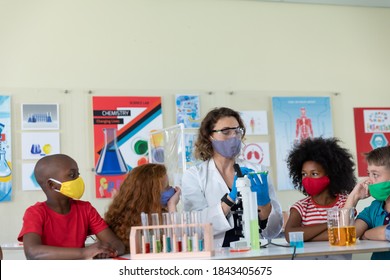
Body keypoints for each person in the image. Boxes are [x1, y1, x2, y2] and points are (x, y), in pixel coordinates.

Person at [181, 107, 283, 249]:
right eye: (226, 132)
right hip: (217, 255)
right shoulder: (194, 176)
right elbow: (196, 227)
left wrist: (265, 204)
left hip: (255, 253)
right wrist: (229, 199)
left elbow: (274, 231)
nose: (233, 137)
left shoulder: (258, 171)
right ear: (209, 136)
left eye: (237, 131)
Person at [18, 154, 125, 260]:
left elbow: (117, 244)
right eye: (72, 175)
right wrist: (84, 253)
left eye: (78, 174)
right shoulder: (35, 213)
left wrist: (108, 251)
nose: (78, 180)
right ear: (52, 185)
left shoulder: (86, 209)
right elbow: (32, 252)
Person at [284, 137, 356, 248]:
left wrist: (306, 236)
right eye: (304, 174)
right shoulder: (301, 207)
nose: (307, 179)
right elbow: (289, 235)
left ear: (331, 175)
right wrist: (330, 223)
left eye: (314, 174)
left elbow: (346, 233)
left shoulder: (345, 203)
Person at [104, 163, 181, 254]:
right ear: (150, 195)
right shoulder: (125, 224)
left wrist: (172, 205)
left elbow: (179, 247)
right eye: (167, 187)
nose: (172, 190)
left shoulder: (163, 216)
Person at [344, 145, 390, 260]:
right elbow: (347, 236)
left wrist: (366, 234)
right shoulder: (374, 208)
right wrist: (353, 197)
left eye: (375, 174)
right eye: (369, 174)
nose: (369, 181)